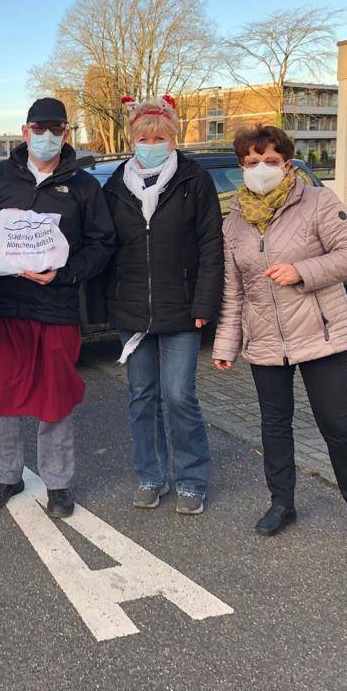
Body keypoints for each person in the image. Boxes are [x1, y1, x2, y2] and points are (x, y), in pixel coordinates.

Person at [212, 124, 347, 548]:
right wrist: (226, 343)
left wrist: (302, 271)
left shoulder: (318, 201)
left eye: (269, 160)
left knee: (338, 425)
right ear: (241, 167)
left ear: (287, 164)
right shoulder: (234, 222)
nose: (260, 168)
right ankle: (282, 503)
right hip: (265, 340)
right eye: (251, 162)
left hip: (321, 334)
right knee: (274, 426)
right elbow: (233, 290)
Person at [0, 97, 116, 518]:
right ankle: (5, 476)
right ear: (25, 131)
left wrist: (64, 274)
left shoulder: (83, 186)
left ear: (66, 133)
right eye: (39, 128)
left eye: (56, 129)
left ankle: (58, 484)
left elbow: (102, 243)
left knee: (55, 399)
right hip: (5, 304)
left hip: (56, 306)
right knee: (1, 398)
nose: (47, 136)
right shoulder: (0, 175)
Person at [102, 95, 223, 515]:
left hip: (183, 309)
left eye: (160, 137)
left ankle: (191, 479)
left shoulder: (194, 180)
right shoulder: (116, 185)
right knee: (142, 396)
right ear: (132, 138)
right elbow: (106, 246)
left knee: (179, 395)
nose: (151, 144)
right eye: (144, 137)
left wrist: (205, 302)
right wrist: (108, 303)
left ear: (173, 138)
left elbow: (211, 245)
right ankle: (150, 476)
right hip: (132, 311)